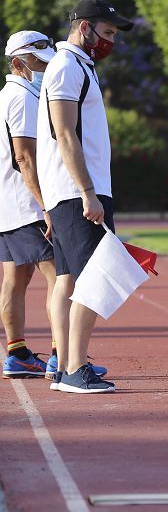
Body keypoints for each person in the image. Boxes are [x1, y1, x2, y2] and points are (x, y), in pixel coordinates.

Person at [38, 0, 132, 393]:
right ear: (84, 27)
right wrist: (87, 192)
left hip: (75, 190)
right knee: (94, 278)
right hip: (79, 191)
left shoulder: (79, 66)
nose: (110, 41)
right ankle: (75, 367)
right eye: (107, 32)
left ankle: (64, 366)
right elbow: (64, 133)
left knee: (68, 278)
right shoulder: (65, 67)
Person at [1, 31, 59, 379]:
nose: (44, 68)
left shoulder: (9, 94)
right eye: (38, 62)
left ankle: (18, 353)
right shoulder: (22, 97)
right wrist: (46, 206)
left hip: (11, 204)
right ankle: (61, 355)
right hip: (29, 204)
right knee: (60, 276)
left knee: (16, 277)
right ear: (18, 63)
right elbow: (24, 156)